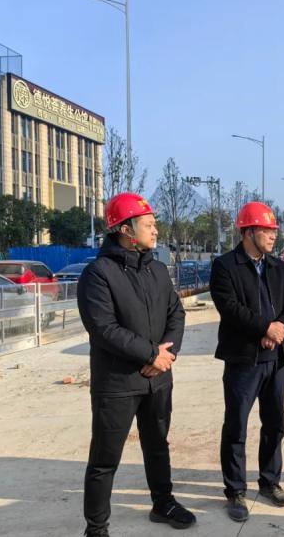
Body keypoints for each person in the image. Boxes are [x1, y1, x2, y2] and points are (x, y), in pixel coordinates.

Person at [77, 192, 196, 537]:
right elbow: (104, 329)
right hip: (117, 383)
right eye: (149, 224)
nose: (156, 230)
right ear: (126, 230)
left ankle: (163, 503)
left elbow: (176, 314)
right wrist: (150, 354)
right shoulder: (98, 274)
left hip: (158, 379)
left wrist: (166, 357)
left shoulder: (157, 270)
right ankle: (96, 528)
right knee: (105, 458)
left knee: (158, 445)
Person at [209, 201, 284, 522]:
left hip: (276, 358)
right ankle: (235, 490)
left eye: (274, 230)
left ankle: (270, 481)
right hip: (244, 359)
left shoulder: (279, 267)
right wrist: (264, 328)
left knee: (275, 423)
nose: (273, 236)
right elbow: (230, 308)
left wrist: (279, 328)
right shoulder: (225, 266)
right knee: (236, 424)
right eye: (266, 230)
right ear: (248, 232)